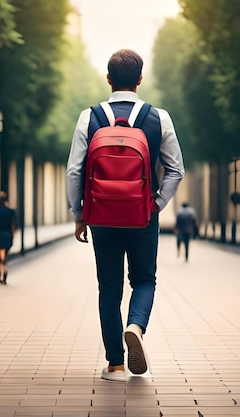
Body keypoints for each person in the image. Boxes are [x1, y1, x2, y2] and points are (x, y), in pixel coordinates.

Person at [66, 49, 185, 382]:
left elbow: (74, 170)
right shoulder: (158, 117)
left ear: (108, 79)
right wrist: (156, 203)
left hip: (102, 215)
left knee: (109, 288)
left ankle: (116, 364)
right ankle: (136, 325)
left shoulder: (88, 117)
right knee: (144, 280)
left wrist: (79, 213)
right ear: (140, 79)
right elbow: (176, 169)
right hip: (142, 214)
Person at [0, 191, 17, 285]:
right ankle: (4, 271)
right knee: (5, 256)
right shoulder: (10, 211)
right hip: (7, 235)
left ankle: (1, 272)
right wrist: (13, 236)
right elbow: (14, 225)